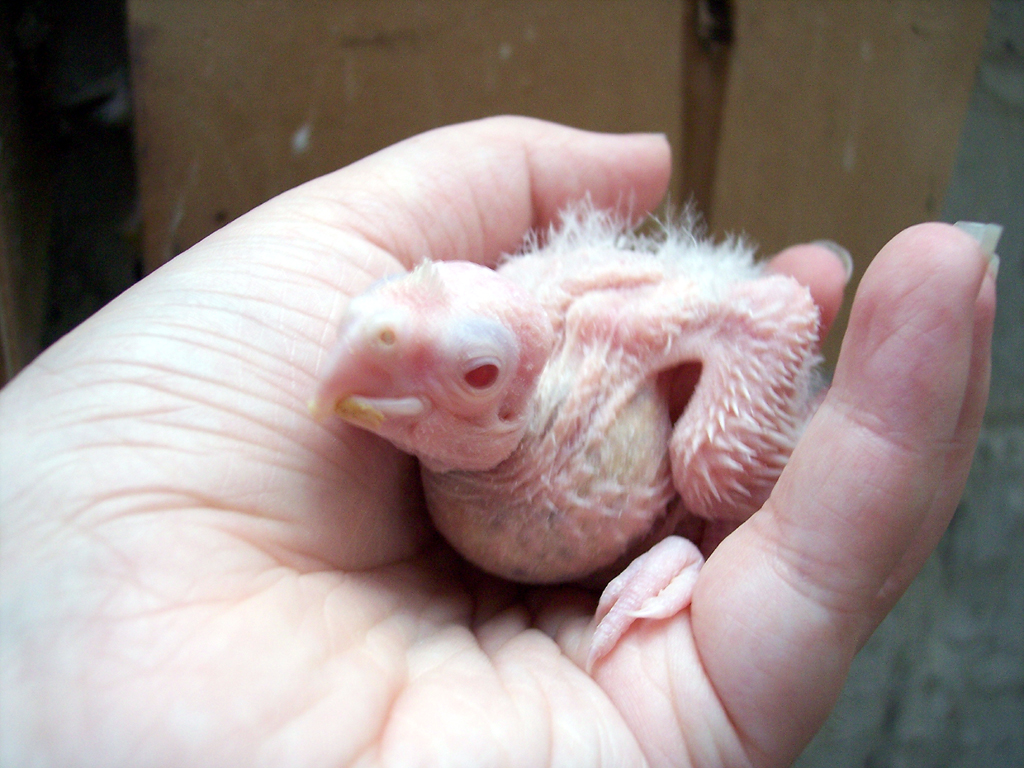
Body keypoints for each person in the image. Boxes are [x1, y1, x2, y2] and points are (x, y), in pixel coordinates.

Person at [0, 117, 996, 767]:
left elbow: (774, 311)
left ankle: (691, 532)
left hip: (663, 430)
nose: (366, 368)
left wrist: (701, 519)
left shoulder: (603, 345)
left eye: (474, 375)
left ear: (516, 381)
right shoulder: (460, 423)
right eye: (372, 325)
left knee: (712, 461)